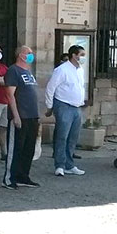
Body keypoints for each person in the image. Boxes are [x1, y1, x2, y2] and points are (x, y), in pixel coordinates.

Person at [1, 45, 40, 190]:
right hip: (20, 115)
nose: (31, 55)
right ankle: (9, 178)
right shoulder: (13, 71)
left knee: (28, 148)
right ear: (20, 55)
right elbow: (10, 94)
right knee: (16, 147)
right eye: (28, 53)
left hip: (32, 115)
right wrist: (16, 115)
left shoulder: (28, 72)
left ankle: (23, 175)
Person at [45, 45, 87, 177]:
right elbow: (50, 88)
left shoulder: (80, 70)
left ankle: (69, 164)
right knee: (62, 136)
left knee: (73, 137)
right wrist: (50, 106)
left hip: (76, 106)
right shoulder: (61, 70)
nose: (83, 57)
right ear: (74, 55)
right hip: (63, 104)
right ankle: (60, 165)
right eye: (81, 54)